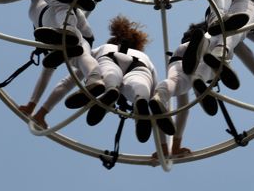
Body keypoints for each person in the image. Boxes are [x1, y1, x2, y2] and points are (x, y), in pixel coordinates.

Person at [65, 15, 175, 143]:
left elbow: (86, 63)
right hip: (140, 64)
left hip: (109, 56)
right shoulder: (143, 55)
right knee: (139, 84)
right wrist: (162, 147)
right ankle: (139, 99)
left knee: (108, 74)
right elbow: (157, 99)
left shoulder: (104, 47)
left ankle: (111, 91)